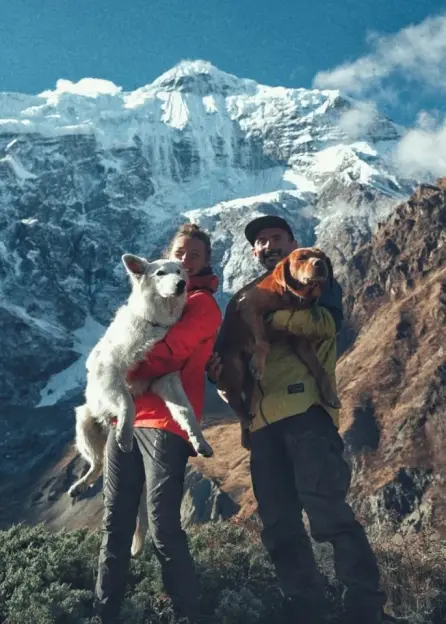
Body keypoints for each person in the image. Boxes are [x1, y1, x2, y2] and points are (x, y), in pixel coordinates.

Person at [208, 209, 397, 624]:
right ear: (253, 250)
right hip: (260, 428)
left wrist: (266, 320)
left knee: (328, 515)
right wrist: (222, 379)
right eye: (260, 241)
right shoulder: (243, 296)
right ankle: (307, 611)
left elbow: (325, 326)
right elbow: (226, 359)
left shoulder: (317, 278)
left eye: (277, 237)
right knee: (278, 527)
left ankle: (366, 611)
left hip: (306, 415)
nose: (268, 245)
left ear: (293, 244)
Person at [95, 223, 222, 624]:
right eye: (179, 252)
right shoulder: (149, 300)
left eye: (194, 256)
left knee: (163, 523)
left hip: (168, 422)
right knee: (115, 520)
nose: (184, 260)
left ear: (202, 266)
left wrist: (113, 369)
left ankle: (188, 614)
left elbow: (169, 354)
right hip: (125, 420)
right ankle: (104, 612)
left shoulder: (201, 305)